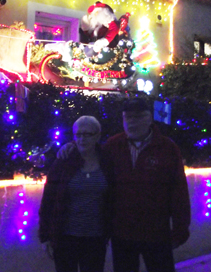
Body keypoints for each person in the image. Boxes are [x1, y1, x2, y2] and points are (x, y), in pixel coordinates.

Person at [57, 98, 191, 272]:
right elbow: (90, 150)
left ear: (150, 118)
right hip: (122, 233)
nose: (132, 122)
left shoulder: (167, 148)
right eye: (127, 117)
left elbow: (179, 191)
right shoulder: (113, 145)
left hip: (157, 232)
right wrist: (72, 145)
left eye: (138, 117)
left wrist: (180, 230)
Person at [38, 115, 114, 272]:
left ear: (98, 136)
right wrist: (45, 235)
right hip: (65, 237)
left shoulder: (107, 160)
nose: (82, 139)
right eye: (78, 135)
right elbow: (49, 200)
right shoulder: (64, 161)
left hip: (95, 238)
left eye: (88, 134)